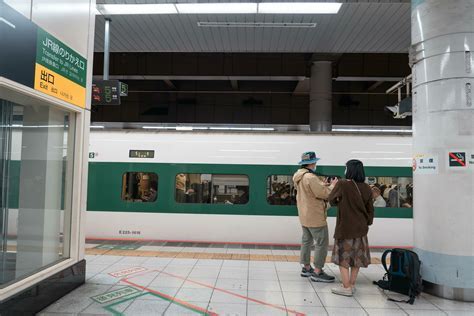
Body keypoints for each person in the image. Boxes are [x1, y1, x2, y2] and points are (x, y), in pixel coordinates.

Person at [328, 159, 374, 296]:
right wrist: (367, 223)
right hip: (361, 230)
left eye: (346, 168)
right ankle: (352, 285)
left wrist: (334, 185)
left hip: (345, 229)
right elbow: (370, 210)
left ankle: (346, 287)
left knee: (344, 258)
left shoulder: (342, 184)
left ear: (350, 170)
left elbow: (331, 199)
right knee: (356, 259)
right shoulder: (367, 187)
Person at [293, 151, 338, 283]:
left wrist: (323, 185)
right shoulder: (311, 178)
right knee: (321, 243)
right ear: (312, 163)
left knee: (306, 241)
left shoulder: (299, 176)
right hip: (315, 215)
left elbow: (311, 192)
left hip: (304, 214)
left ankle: (306, 267)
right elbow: (324, 195)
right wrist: (333, 186)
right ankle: (318, 271)